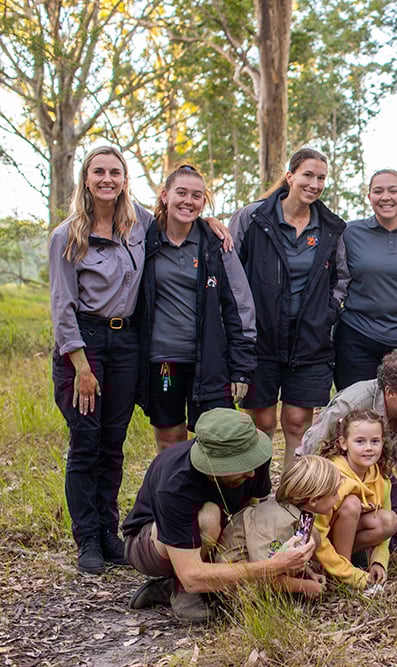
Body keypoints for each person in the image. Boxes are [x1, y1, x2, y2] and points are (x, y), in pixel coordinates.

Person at [49, 146, 152, 575]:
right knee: (86, 443)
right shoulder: (67, 235)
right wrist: (82, 368)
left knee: (113, 444)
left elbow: (184, 211)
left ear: (125, 179)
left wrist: (218, 224)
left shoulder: (139, 223)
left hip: (125, 342)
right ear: (86, 179)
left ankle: (110, 534)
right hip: (84, 344)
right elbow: (61, 306)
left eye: (115, 172)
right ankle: (87, 539)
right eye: (99, 172)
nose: (107, 179)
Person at [122, 409, 315, 623]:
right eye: (240, 466)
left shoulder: (254, 458)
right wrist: (270, 568)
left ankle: (209, 579)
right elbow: (191, 576)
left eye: (251, 463)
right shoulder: (175, 484)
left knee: (237, 520)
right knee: (208, 517)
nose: (251, 473)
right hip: (149, 543)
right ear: (212, 465)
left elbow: (253, 516)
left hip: (216, 532)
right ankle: (181, 589)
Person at [230, 147, 349, 472]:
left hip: (310, 339)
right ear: (290, 176)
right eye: (308, 174)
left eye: (321, 177)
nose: (314, 183)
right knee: (263, 421)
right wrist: (240, 323)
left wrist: (328, 315)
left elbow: (342, 278)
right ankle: (257, 496)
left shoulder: (331, 227)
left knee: (297, 422)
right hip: (261, 338)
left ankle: (290, 501)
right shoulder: (253, 218)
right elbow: (229, 269)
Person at [136, 165, 257, 451]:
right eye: (181, 193)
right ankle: (171, 495)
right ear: (165, 196)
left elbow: (239, 306)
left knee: (219, 438)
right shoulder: (144, 237)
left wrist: (241, 368)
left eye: (197, 196)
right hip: (163, 361)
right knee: (170, 440)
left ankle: (215, 496)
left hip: (210, 361)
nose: (188, 201)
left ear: (204, 202)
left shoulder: (215, 243)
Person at [300, 346, 397, 548]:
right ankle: (333, 550)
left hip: (377, 479)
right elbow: (310, 459)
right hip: (334, 482)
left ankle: (349, 543)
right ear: (391, 393)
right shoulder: (351, 405)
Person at [335, 169, 397, 389]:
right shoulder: (350, 233)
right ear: (369, 197)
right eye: (378, 191)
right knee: (358, 414)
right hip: (357, 337)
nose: (386, 197)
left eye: (393, 190)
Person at [215, 455, 338, 598]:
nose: (338, 498)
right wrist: (304, 586)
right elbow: (266, 570)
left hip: (258, 567)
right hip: (236, 581)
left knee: (314, 535)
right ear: (314, 500)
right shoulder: (279, 524)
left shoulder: (298, 514)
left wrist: (308, 574)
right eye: (334, 494)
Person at [311, 409, 397, 589]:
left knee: (389, 520)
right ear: (344, 443)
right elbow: (316, 532)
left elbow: (385, 523)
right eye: (360, 441)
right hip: (315, 545)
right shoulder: (332, 477)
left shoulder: (381, 479)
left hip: (345, 540)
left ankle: (344, 564)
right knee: (351, 504)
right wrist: (350, 575)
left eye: (375, 441)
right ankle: (343, 573)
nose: (368, 448)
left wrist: (379, 561)